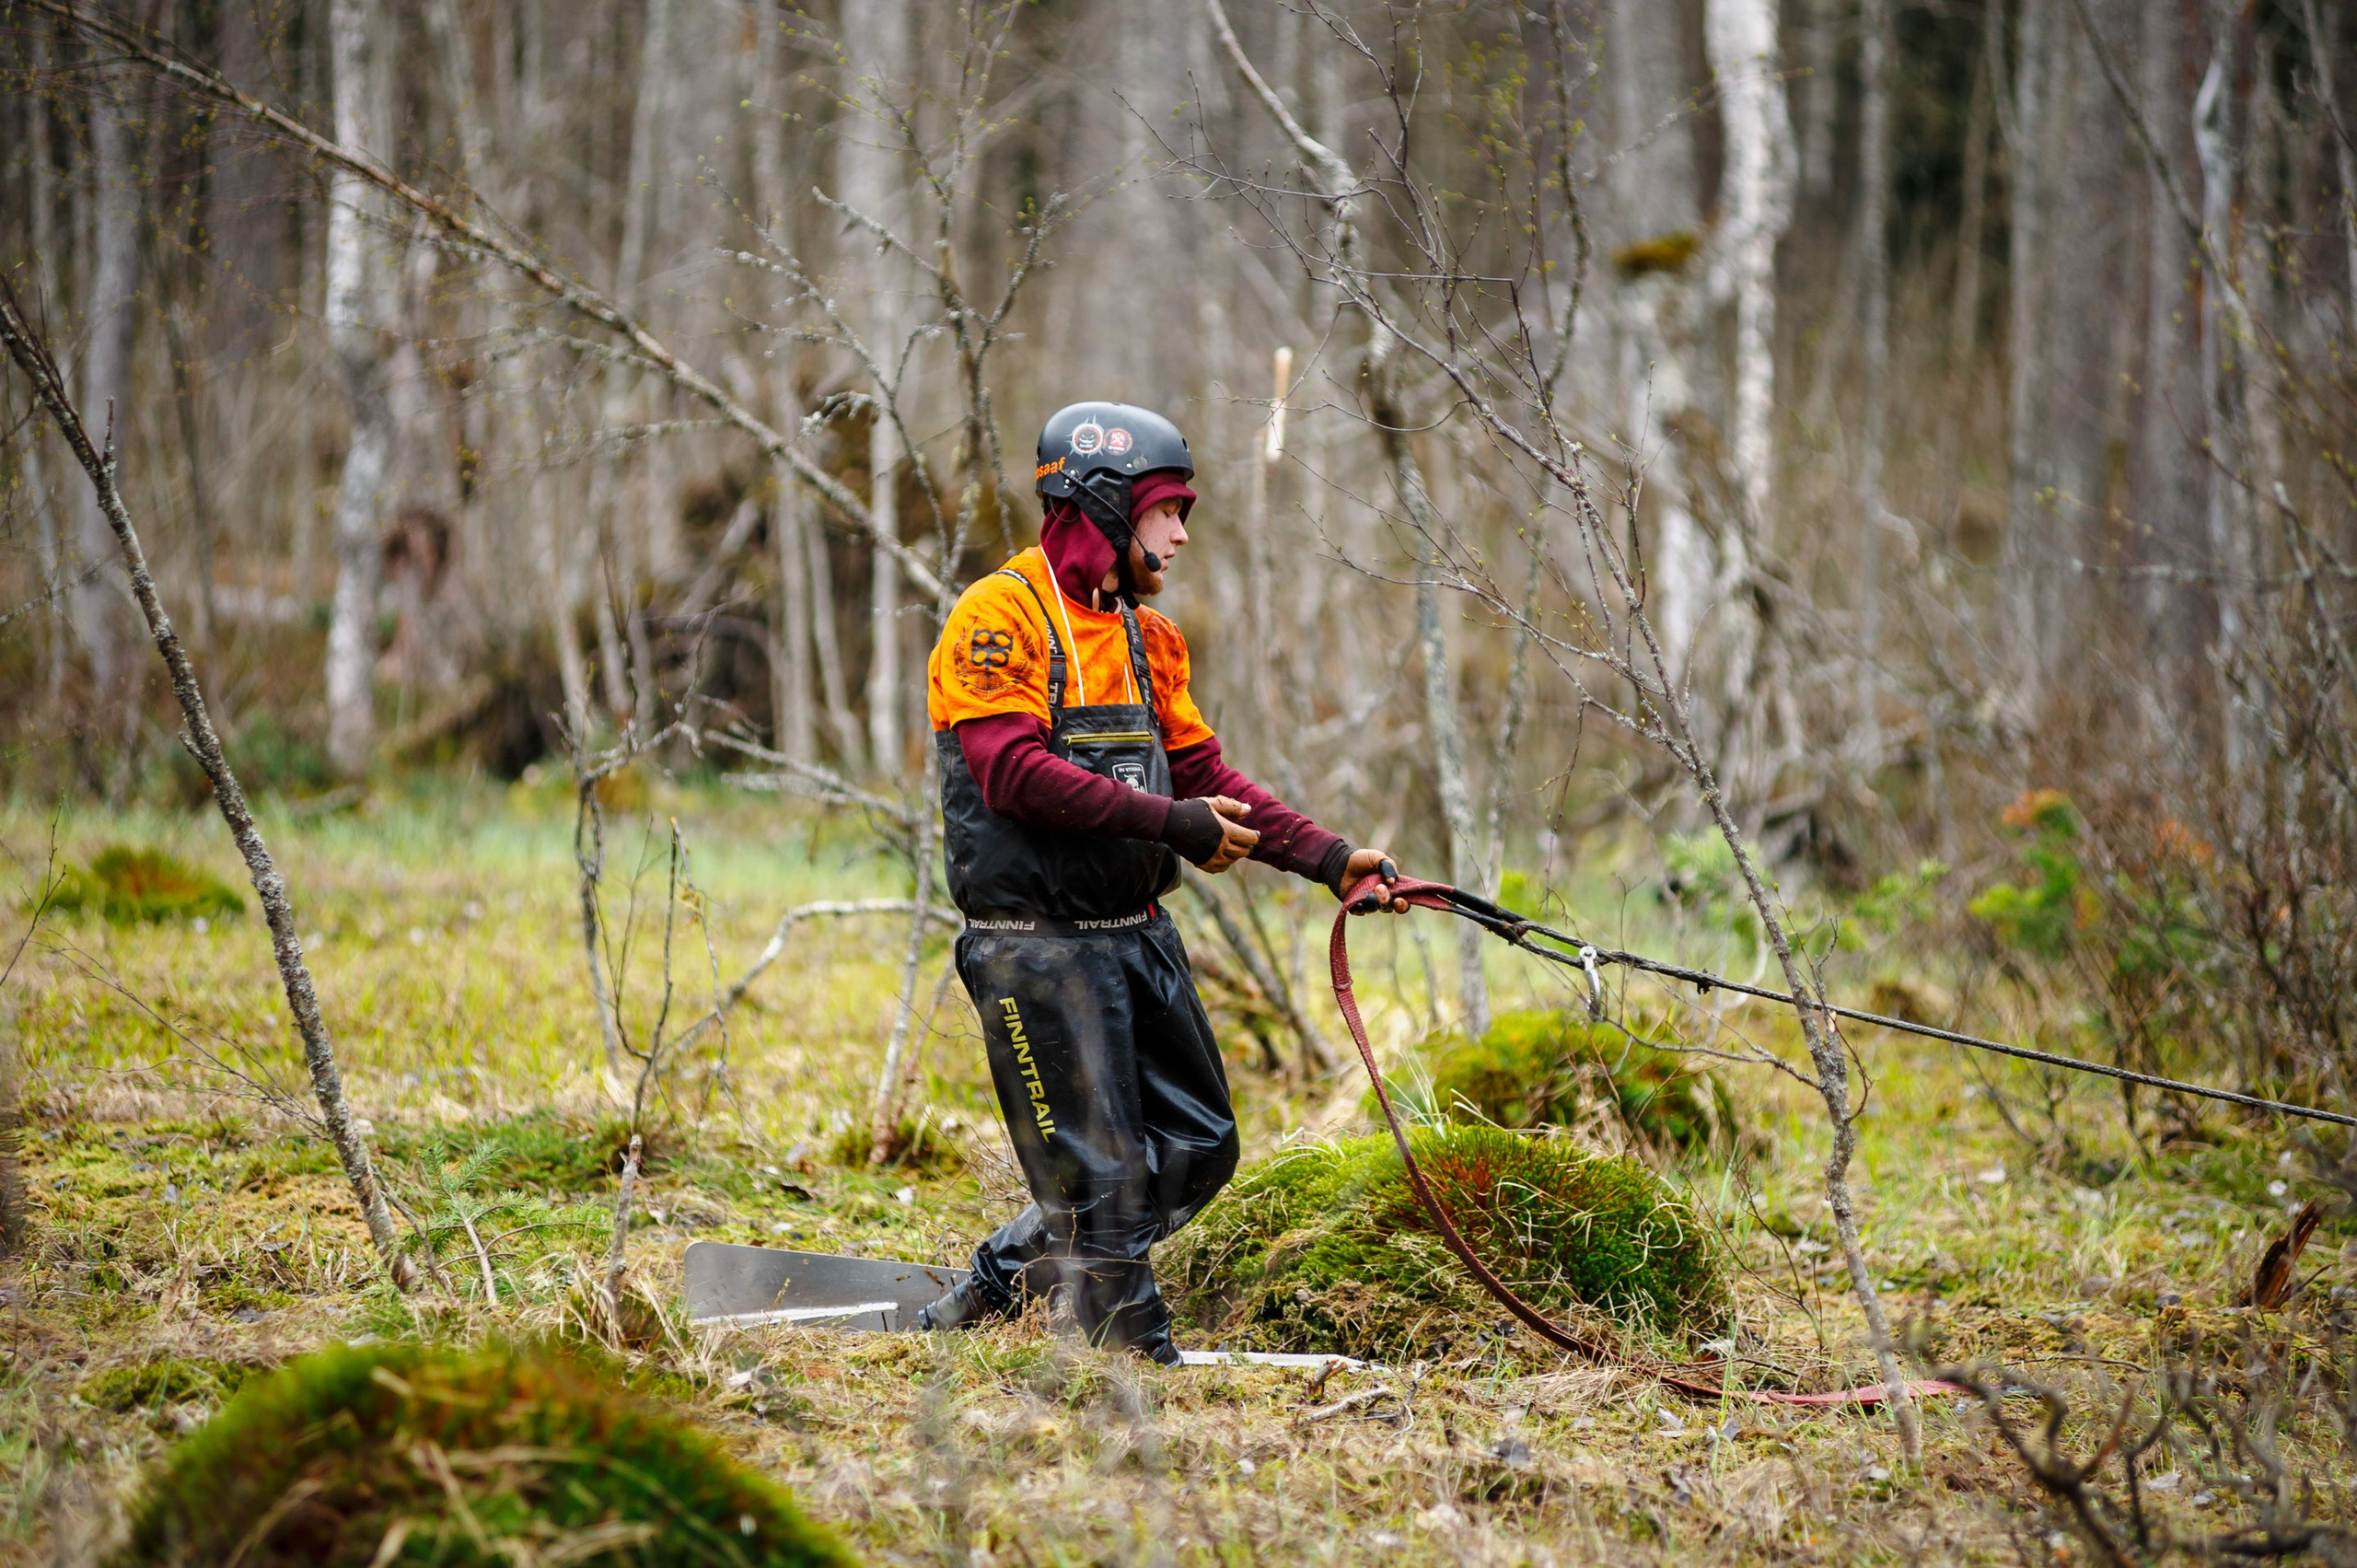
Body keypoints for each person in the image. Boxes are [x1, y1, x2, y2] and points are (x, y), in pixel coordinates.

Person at [914, 400, 1405, 1364]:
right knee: (1100, 1184)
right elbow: (1010, 773)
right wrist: (1171, 822)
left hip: (1136, 932)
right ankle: (1138, 1366)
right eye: (1168, 510)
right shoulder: (997, 617)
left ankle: (994, 1286)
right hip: (1033, 946)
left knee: (1200, 1145)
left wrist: (1325, 857)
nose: (1179, 534)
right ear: (1105, 504)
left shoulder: (1151, 640)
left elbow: (1204, 775)